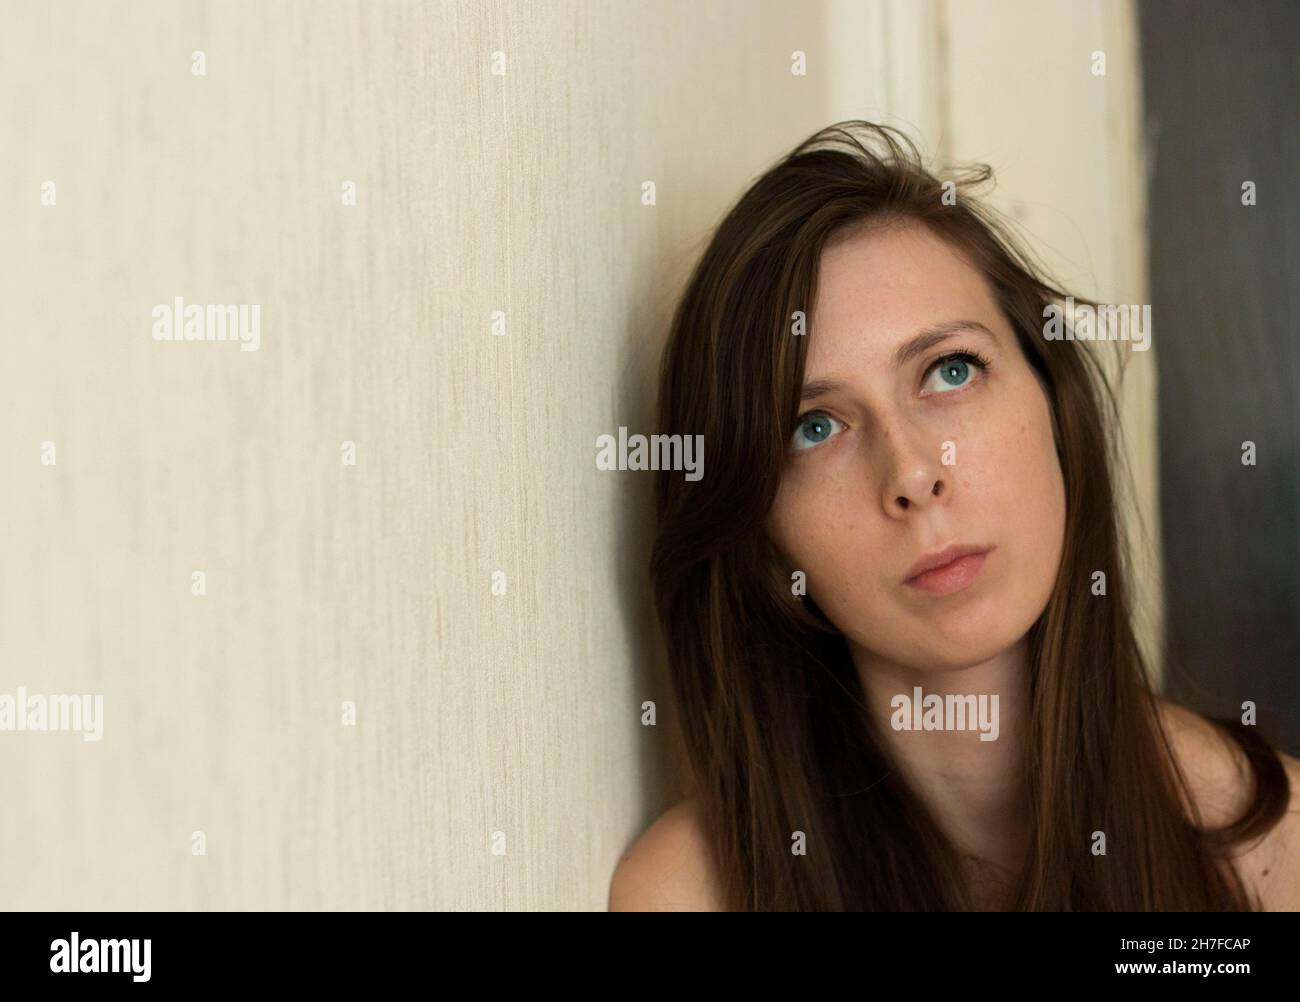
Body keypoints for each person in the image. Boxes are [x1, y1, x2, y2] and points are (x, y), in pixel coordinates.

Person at [609, 121, 1298, 911]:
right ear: (763, 539)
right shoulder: (692, 895)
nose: (911, 474)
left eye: (951, 370)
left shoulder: (1279, 855)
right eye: (814, 427)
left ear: (1054, 408)